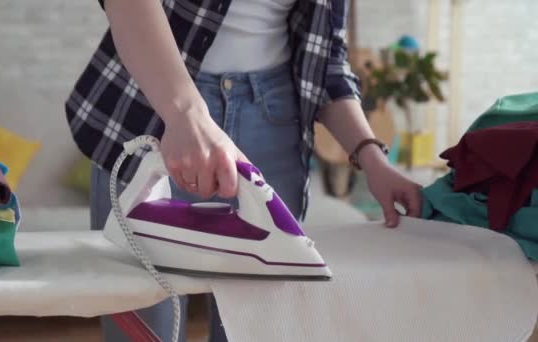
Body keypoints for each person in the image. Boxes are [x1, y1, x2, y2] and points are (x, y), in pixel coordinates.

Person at [65, 0, 423, 341]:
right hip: (152, 100)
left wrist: (372, 157)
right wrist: (187, 116)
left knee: (255, 328)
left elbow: (326, 57)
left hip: (274, 117)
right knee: (143, 316)